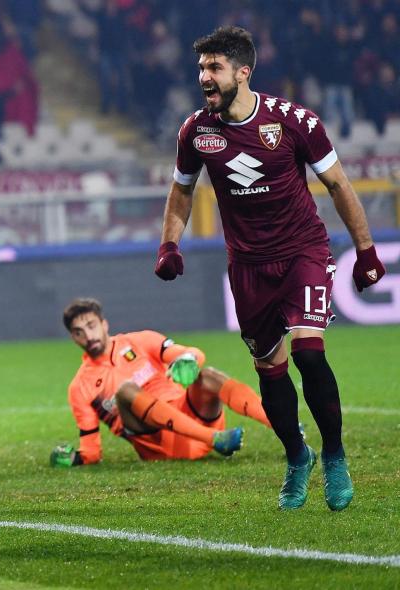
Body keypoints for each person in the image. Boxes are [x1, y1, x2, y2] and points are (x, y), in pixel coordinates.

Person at [155, 26, 386, 511]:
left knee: (308, 352)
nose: (204, 78)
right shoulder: (196, 131)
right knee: (269, 368)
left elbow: (341, 185)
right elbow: (181, 191)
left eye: (214, 68)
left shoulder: (295, 121)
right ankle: (297, 456)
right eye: (201, 68)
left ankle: (335, 457)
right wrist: (169, 245)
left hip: (303, 250)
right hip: (248, 264)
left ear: (244, 72)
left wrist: (365, 250)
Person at [51, 298, 269, 468]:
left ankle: (281, 425)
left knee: (208, 375)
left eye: (91, 326)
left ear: (104, 324)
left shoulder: (141, 340)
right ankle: (215, 439)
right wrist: (73, 458)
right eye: (79, 332)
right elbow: (92, 452)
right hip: (161, 447)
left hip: (193, 417)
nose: (89, 336)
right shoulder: (80, 387)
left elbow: (192, 354)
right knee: (126, 391)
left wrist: (188, 359)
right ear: (73, 338)